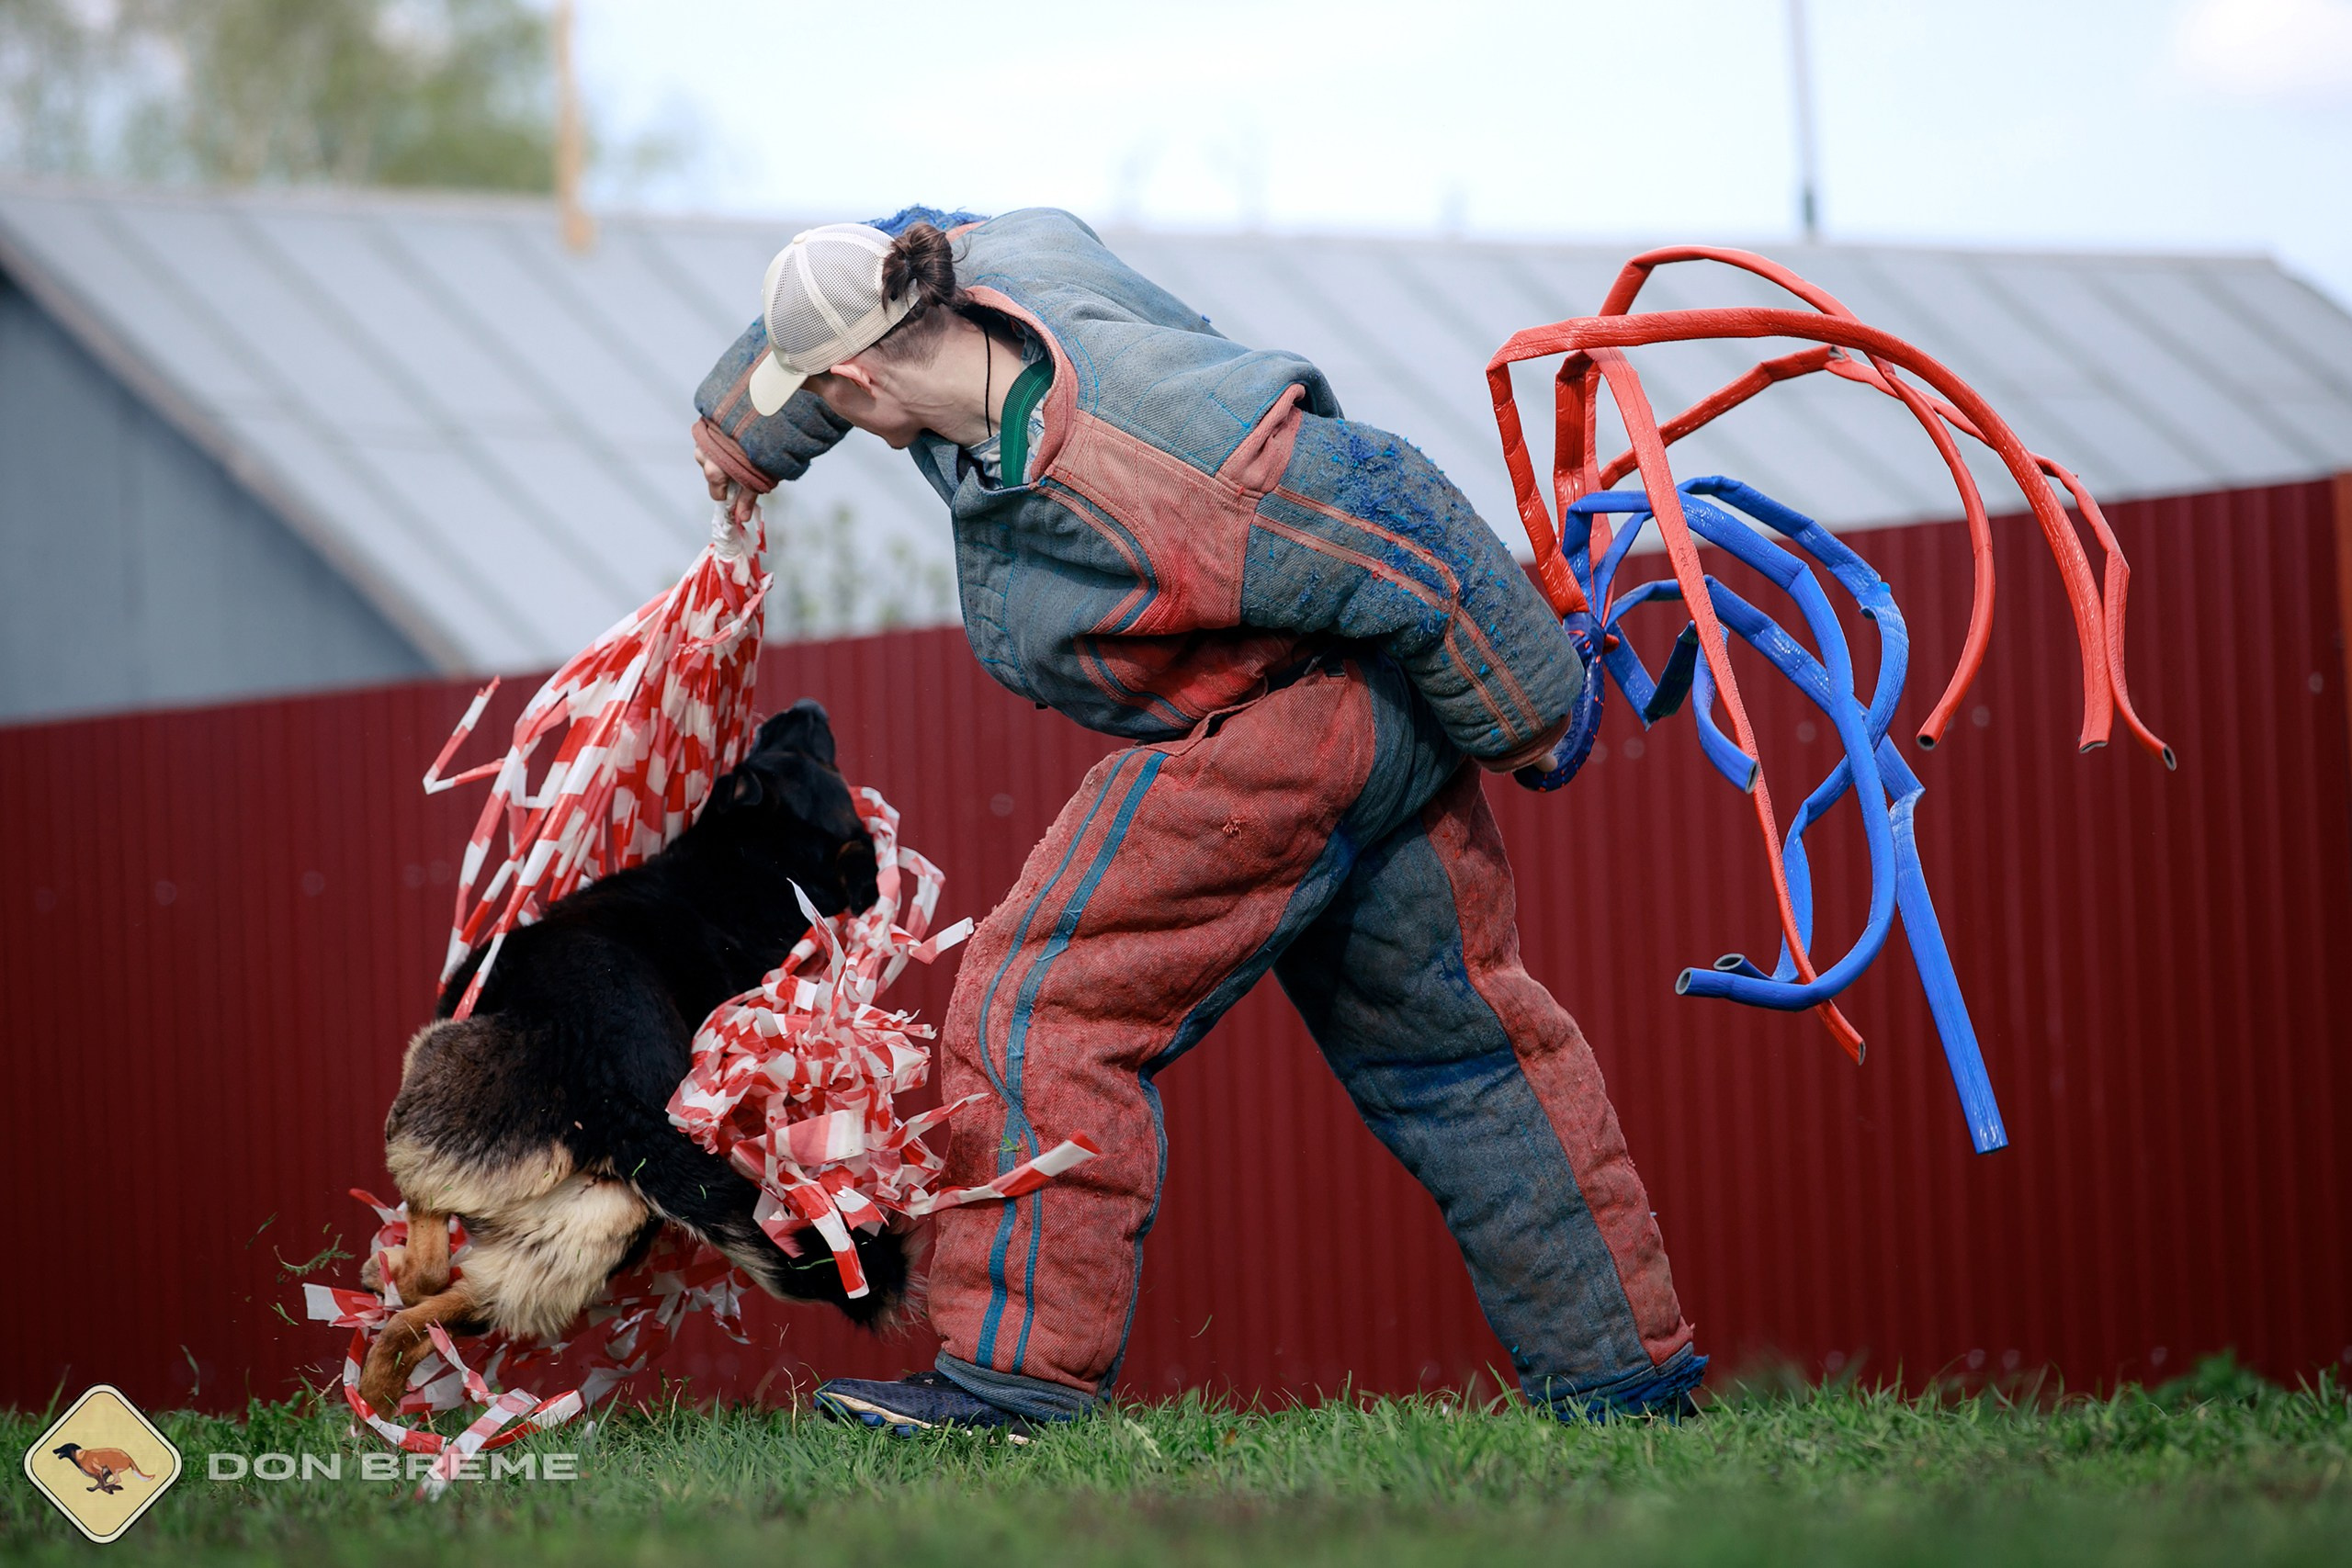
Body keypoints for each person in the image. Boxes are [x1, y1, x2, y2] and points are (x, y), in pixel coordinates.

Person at [690, 208, 1704, 1435]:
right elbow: (894, 226)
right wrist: (743, 428)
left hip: (1297, 722)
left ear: (860, 376)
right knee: (1461, 1053)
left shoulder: (1156, 460)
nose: (829, 415)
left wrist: (1537, 717)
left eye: (823, 398)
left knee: (1041, 1000)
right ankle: (1624, 1384)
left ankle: (1019, 1382)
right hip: (1359, 708)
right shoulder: (982, 272)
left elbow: (1408, 512)